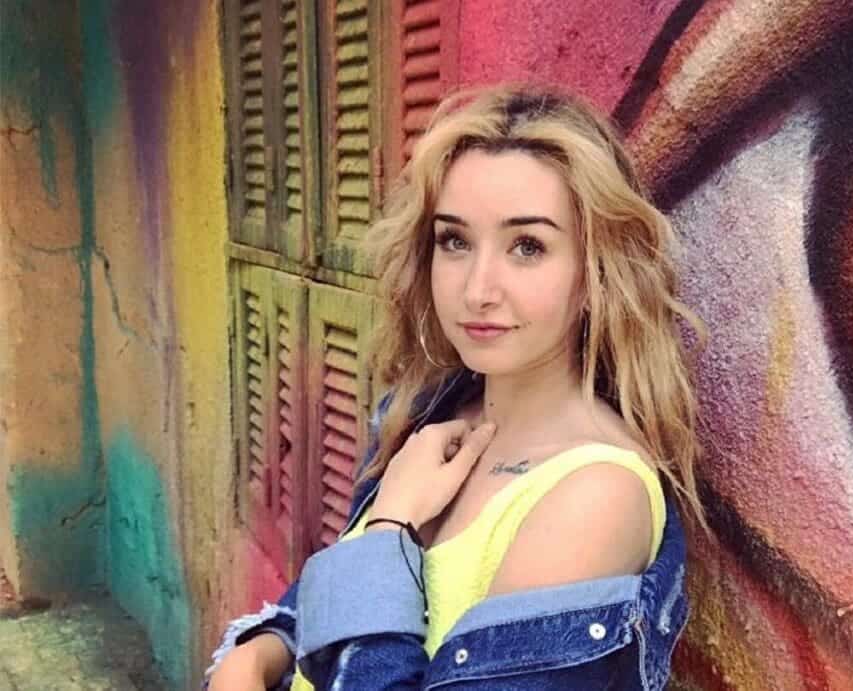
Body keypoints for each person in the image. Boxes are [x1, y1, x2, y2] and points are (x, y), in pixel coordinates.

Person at [205, 83, 705, 690]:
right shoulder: (430, 414)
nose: (477, 289)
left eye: (527, 246)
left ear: (596, 270)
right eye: (455, 241)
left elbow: (364, 582)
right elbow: (330, 604)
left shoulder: (595, 496)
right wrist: (255, 655)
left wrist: (390, 527)